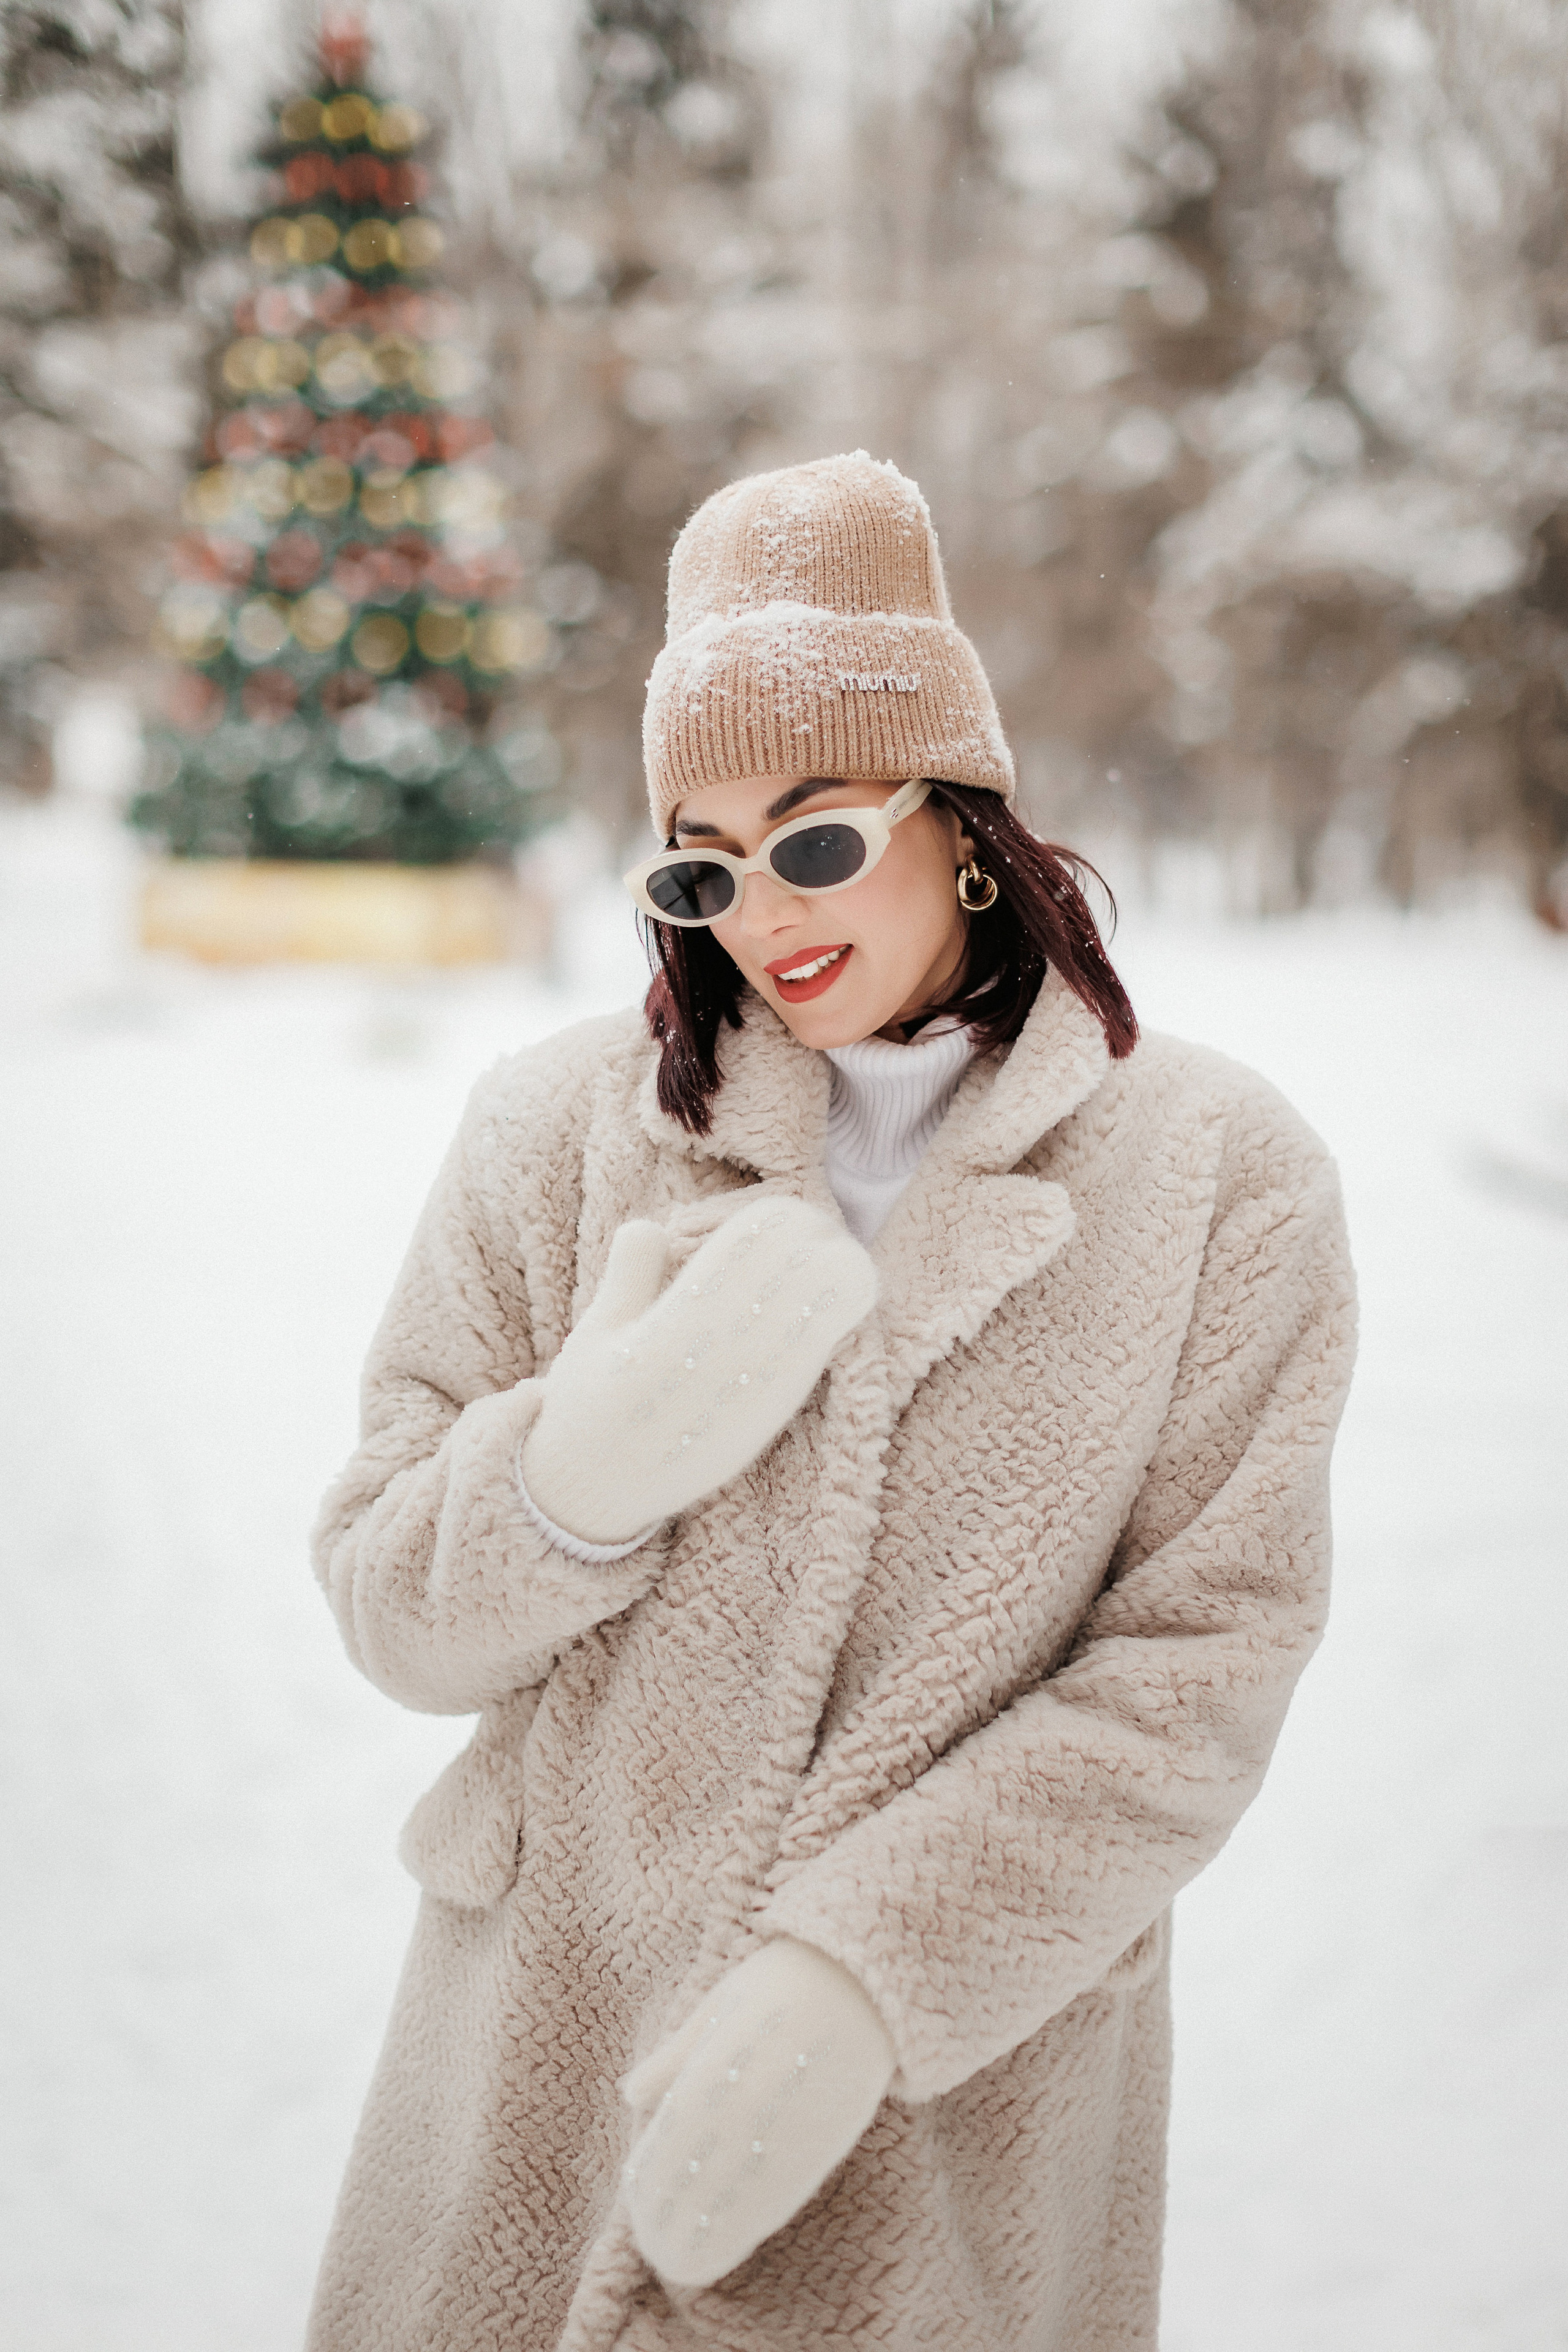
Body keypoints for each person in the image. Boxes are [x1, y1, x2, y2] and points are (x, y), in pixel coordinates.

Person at [306, 451, 1357, 2351]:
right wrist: (574, 1473)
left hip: (948, 2143)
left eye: (814, 840)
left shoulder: (1222, 1174)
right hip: (538, 2106)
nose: (761, 916)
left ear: (960, 822)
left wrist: (873, 1978)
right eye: (700, 866)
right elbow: (390, 1604)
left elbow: (1201, 1669)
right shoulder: (553, 1136)